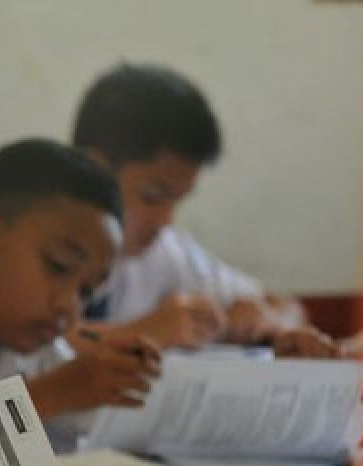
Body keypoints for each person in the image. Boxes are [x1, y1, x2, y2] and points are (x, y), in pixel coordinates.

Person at [0, 138, 161, 452]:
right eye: (58, 266)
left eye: (87, 291)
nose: (69, 306)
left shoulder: (47, 356)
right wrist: (50, 394)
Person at [68, 63, 335, 356]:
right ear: (93, 169)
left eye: (177, 200)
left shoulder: (164, 253)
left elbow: (288, 308)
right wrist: (143, 333)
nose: (166, 220)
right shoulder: (35, 244)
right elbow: (36, 350)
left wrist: (271, 324)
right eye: (152, 196)